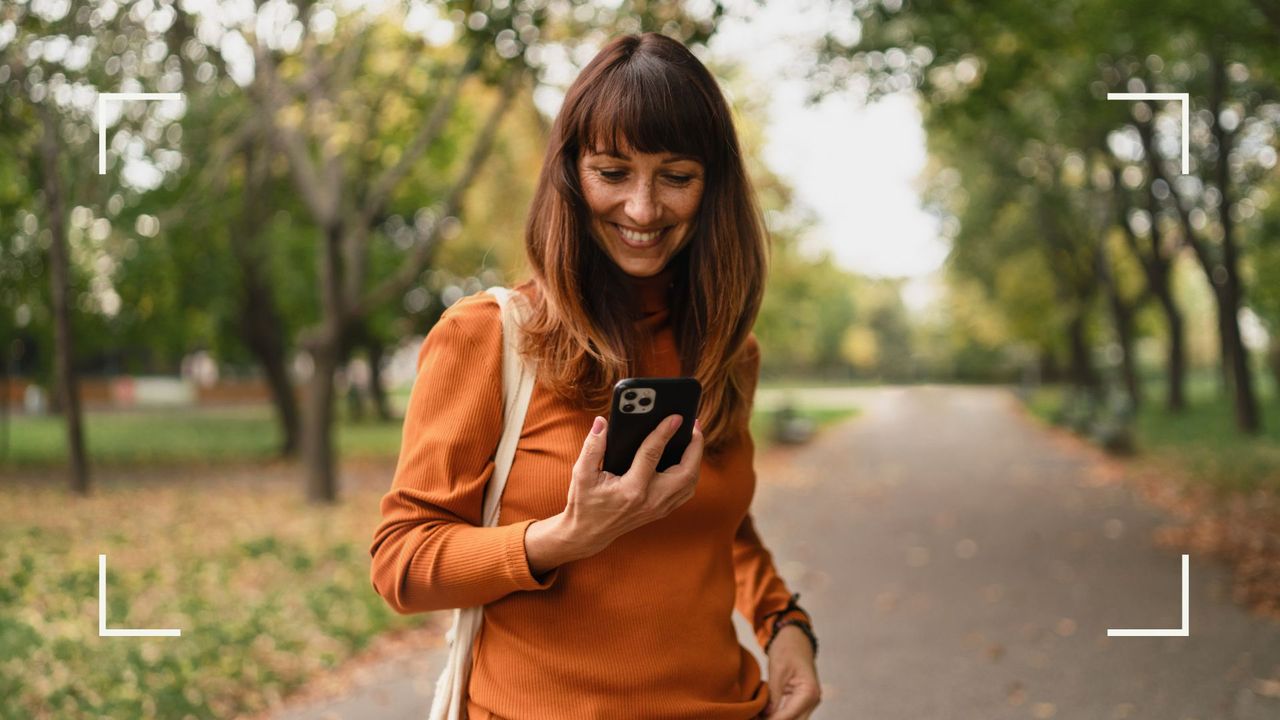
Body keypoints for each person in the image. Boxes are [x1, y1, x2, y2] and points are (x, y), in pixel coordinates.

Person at [369, 32, 821, 720]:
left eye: (676, 176)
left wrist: (783, 623)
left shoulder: (728, 350)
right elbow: (401, 563)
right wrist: (565, 536)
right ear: (570, 175)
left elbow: (716, 522)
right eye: (613, 173)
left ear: (712, 188)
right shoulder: (486, 337)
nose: (643, 209)